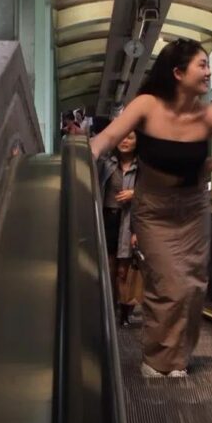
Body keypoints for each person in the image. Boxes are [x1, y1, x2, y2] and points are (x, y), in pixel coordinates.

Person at [91, 37, 212, 378]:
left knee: (193, 287)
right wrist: (87, 155)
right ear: (178, 72)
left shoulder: (210, 115)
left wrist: (209, 165)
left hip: (193, 209)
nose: (208, 72)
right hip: (153, 210)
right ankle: (157, 360)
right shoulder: (146, 106)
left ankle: (178, 359)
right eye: (202, 65)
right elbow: (107, 139)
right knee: (167, 284)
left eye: (209, 65)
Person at [97, 132, 142, 326]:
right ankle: (110, 311)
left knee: (124, 270)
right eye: (121, 137)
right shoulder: (107, 163)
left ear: (138, 141)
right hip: (107, 218)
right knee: (109, 267)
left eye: (130, 138)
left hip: (129, 221)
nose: (124, 141)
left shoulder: (142, 167)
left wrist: (135, 194)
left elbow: (154, 192)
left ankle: (124, 312)